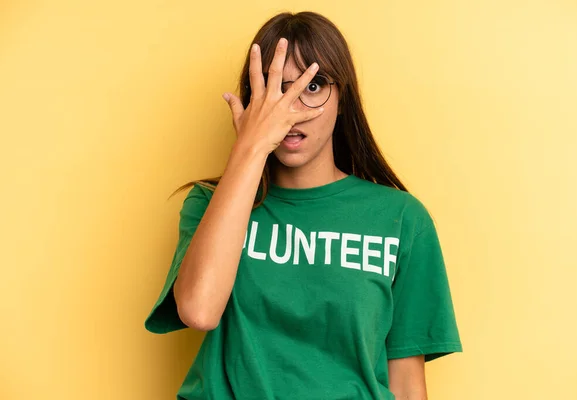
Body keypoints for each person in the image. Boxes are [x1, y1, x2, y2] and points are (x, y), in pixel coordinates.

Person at [145, 10, 462, 400]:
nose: (291, 110)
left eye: (313, 87)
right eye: (277, 89)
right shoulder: (209, 202)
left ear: (343, 98)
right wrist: (252, 146)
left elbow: (408, 385)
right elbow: (198, 310)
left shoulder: (401, 218)